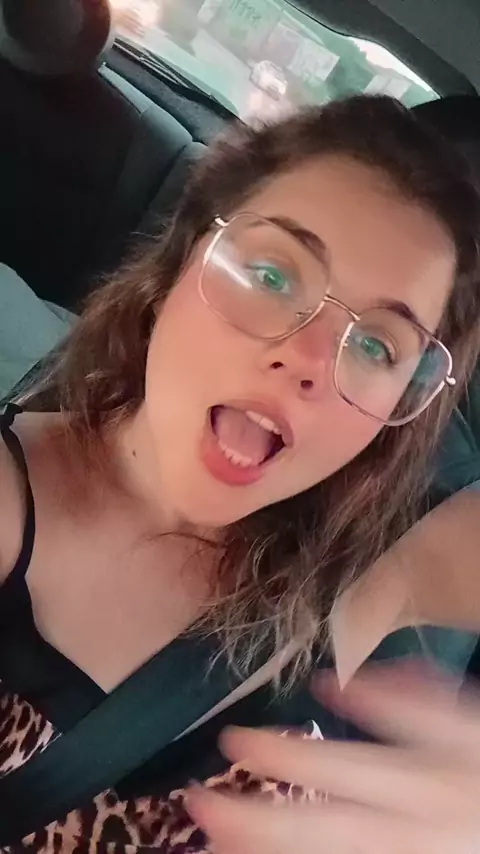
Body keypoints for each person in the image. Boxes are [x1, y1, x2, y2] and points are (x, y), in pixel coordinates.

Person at [1, 94, 480, 851]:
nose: (308, 360)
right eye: (273, 275)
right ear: (182, 258)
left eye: (377, 346)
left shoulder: (370, 582)